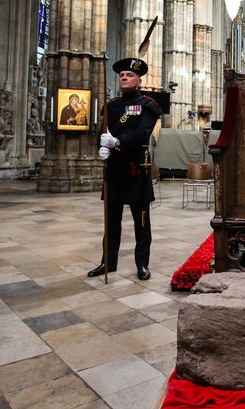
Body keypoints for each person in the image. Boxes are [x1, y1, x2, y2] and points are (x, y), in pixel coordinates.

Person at [87, 57, 163, 280]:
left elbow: (142, 134)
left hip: (136, 170)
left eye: (129, 75)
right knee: (111, 222)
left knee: (141, 223)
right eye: (121, 75)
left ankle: (142, 264)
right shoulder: (111, 106)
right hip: (114, 172)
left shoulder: (148, 105)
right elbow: (101, 132)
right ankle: (108, 263)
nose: (124, 77)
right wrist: (101, 147)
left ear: (139, 80)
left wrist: (116, 143)